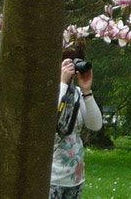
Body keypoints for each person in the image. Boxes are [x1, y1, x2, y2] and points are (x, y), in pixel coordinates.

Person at [51, 42, 103, 199]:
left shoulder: (78, 93)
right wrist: (62, 84)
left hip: (74, 178)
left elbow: (95, 125)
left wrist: (86, 91)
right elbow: (50, 121)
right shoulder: (49, 91)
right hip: (50, 177)